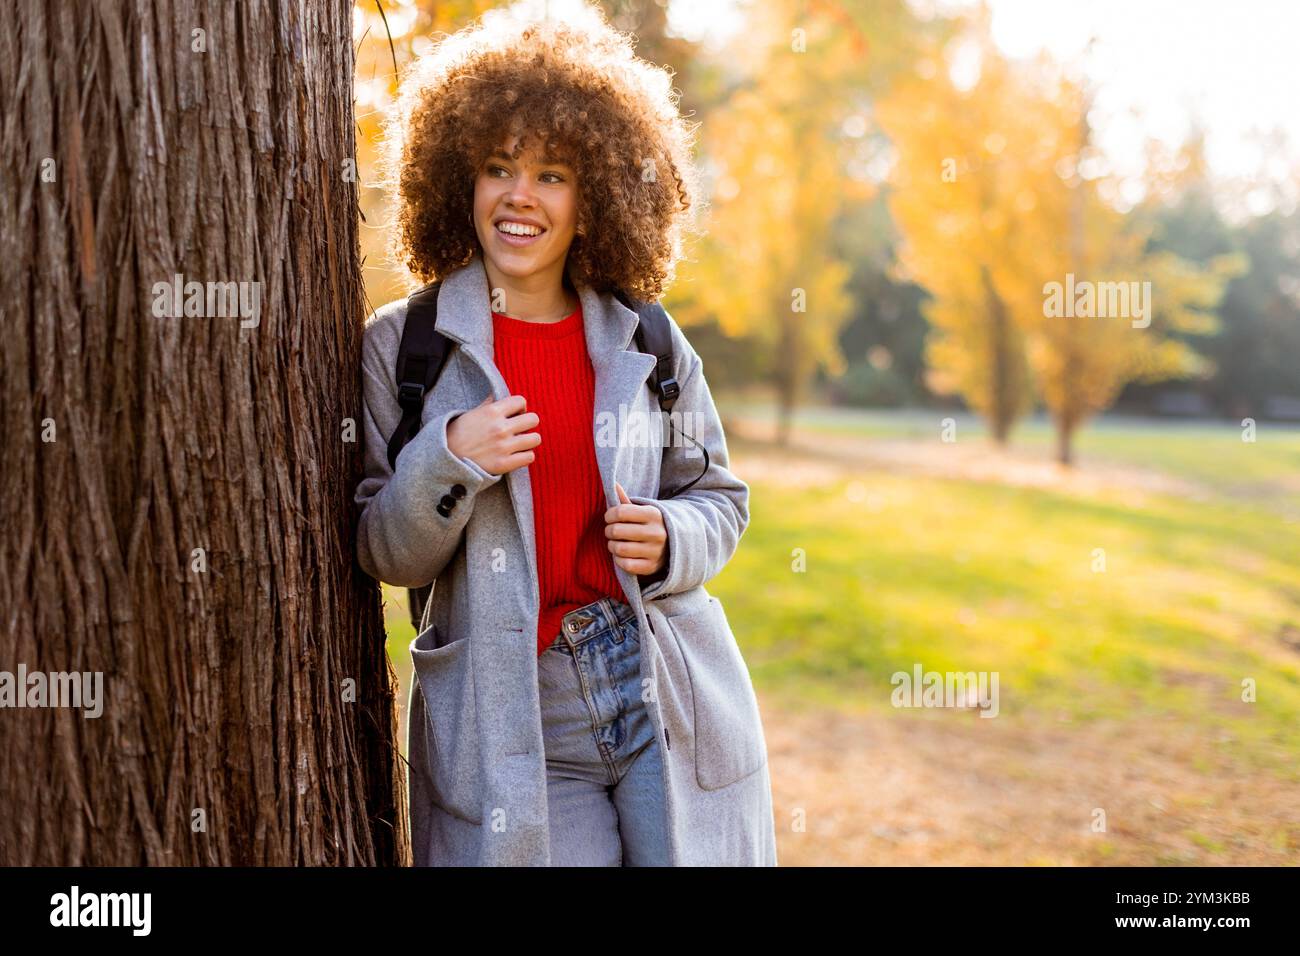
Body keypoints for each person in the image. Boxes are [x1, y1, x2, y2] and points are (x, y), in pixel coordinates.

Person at [355, 8, 777, 866]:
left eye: (552, 173)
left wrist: (671, 538)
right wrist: (451, 457)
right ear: (458, 181)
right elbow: (383, 551)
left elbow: (720, 501)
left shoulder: (648, 338)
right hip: (517, 714)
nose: (520, 195)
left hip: (667, 692)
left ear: (596, 197)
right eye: (497, 167)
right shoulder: (407, 345)